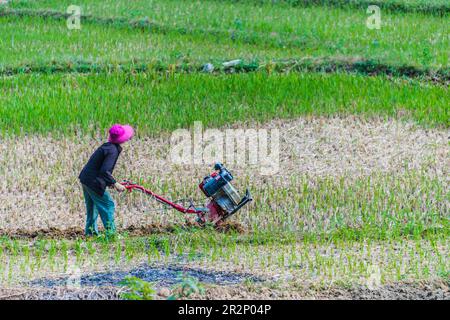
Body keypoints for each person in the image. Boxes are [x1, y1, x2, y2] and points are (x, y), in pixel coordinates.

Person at [79, 124, 134, 236]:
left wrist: (111, 182)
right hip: (93, 181)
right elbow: (105, 171)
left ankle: (90, 234)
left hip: (85, 178)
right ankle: (111, 234)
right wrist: (115, 183)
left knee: (92, 207)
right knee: (108, 205)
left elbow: (101, 170)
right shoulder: (113, 150)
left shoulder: (107, 146)